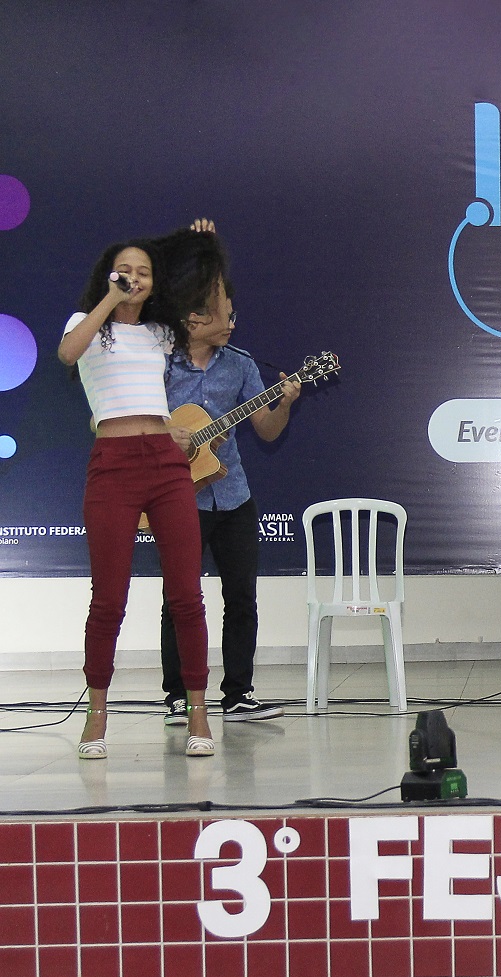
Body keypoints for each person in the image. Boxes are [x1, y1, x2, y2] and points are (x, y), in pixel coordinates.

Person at [58, 240, 214, 758]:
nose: (133, 277)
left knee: (186, 595)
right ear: (107, 275)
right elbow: (66, 354)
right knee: (108, 599)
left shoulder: (162, 332)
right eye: (123, 270)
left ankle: (198, 714)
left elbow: (209, 316)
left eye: (142, 272)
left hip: (165, 463)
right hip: (113, 466)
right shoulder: (86, 321)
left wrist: (205, 249)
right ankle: (96, 716)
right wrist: (109, 298)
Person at [152, 221, 299, 724]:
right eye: (220, 316)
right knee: (179, 599)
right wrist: (179, 440)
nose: (230, 324)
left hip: (233, 497)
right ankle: (176, 694)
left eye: (233, 316)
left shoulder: (240, 365)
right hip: (179, 499)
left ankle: (238, 693)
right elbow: (144, 427)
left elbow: (267, 431)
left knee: (241, 597)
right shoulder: (159, 364)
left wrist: (285, 404)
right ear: (192, 319)